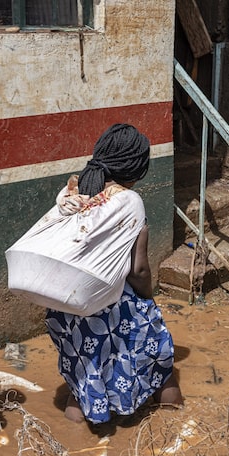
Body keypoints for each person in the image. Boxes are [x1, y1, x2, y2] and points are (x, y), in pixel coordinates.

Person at [45, 123, 184, 425]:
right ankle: (176, 431)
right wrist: (149, 301)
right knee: (161, 360)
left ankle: (77, 436)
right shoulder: (129, 201)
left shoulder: (71, 190)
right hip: (110, 303)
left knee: (85, 374)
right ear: (137, 168)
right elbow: (139, 269)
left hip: (66, 305)